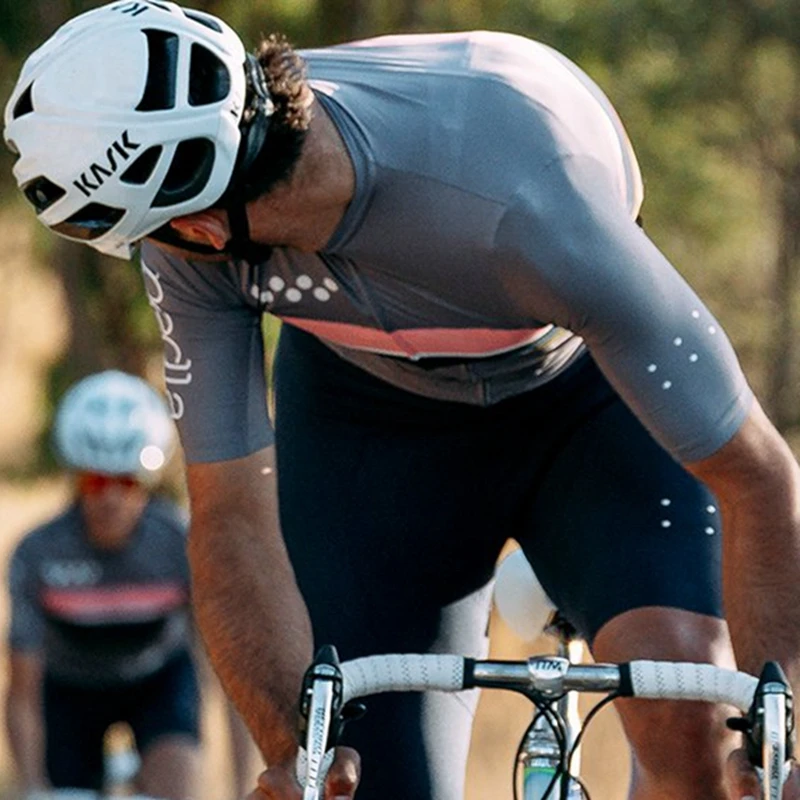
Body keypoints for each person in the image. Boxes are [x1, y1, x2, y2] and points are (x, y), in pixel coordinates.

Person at [5, 3, 800, 798]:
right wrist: (291, 751)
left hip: (583, 400)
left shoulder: (527, 201)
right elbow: (231, 517)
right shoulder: (190, 250)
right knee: (357, 775)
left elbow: (759, 475)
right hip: (370, 423)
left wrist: (781, 742)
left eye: (151, 237)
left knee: (690, 720)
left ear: (204, 229)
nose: (156, 253)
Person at [5, 370, 201, 799]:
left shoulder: (180, 543)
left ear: (145, 482)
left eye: (126, 481)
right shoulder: (38, 553)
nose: (110, 497)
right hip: (70, 689)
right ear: (76, 480)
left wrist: (241, 780)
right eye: (95, 481)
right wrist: (32, 786)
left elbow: (221, 670)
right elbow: (22, 690)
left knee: (175, 784)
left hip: (157, 680)